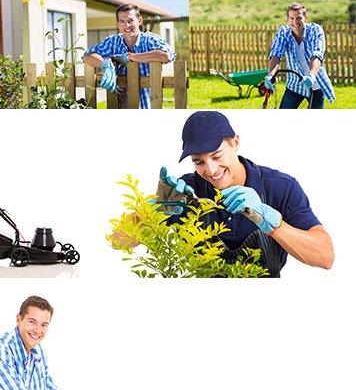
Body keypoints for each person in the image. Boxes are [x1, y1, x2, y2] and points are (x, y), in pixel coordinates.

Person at [115, 111, 334, 277]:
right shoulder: (185, 193)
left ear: (235, 142)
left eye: (217, 156)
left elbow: (325, 257)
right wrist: (153, 213)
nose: (210, 170)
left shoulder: (280, 187)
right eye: (199, 162)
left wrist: (271, 221)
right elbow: (117, 241)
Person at [83, 4, 175, 108]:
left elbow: (166, 55)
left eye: (130, 20)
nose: (126, 25)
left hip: (148, 107)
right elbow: (87, 56)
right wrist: (105, 64)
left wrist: (130, 57)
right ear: (118, 24)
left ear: (139, 21)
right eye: (122, 21)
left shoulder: (150, 40)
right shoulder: (113, 42)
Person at [264, 3, 336, 108]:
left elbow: (317, 54)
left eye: (298, 18)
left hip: (314, 84)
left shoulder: (315, 30)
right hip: (294, 85)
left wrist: (311, 75)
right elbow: (276, 54)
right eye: (291, 18)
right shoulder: (283, 33)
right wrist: (271, 74)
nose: (295, 22)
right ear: (288, 19)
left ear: (305, 18)